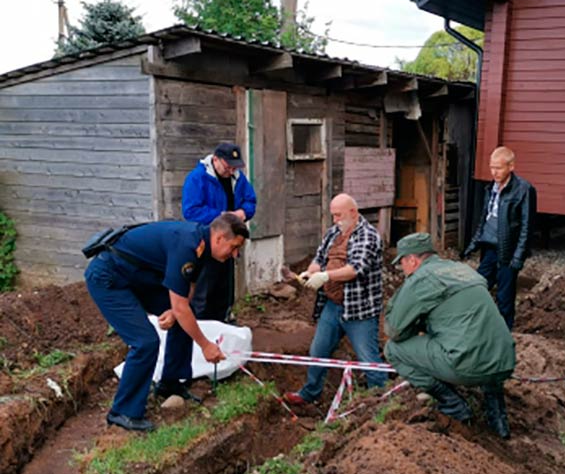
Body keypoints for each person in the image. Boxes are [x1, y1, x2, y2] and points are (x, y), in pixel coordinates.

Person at [85, 213, 250, 432]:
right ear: (219, 238)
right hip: (109, 278)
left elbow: (187, 288)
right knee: (145, 342)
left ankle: (170, 383)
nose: (235, 254)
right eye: (234, 247)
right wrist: (205, 345)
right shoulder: (187, 245)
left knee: (183, 319)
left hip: (137, 277)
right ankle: (123, 412)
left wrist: (175, 310)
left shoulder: (203, 246)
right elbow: (181, 307)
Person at [385, 232, 516, 439]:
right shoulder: (461, 269)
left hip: (466, 366)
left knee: (393, 349)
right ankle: (498, 417)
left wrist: (416, 325)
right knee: (481, 337)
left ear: (413, 259)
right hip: (504, 361)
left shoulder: (421, 279)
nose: (402, 269)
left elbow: (395, 331)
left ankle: (453, 405)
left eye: (402, 263)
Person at [284, 194, 387, 404]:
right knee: (318, 351)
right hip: (332, 305)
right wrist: (311, 271)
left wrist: (326, 276)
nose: (335, 220)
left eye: (338, 215)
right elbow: (319, 258)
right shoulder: (333, 233)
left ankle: (381, 402)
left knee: (368, 359)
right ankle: (310, 393)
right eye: (333, 215)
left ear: (353, 213)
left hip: (360, 311)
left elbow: (355, 269)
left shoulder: (368, 236)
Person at [461, 146, 536, 329]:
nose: (494, 172)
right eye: (492, 167)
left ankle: (504, 333)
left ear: (511, 166)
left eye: (499, 168)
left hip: (508, 251)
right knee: (478, 287)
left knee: (504, 296)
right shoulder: (491, 188)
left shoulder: (523, 190)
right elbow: (485, 219)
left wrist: (518, 256)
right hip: (489, 248)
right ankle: (476, 327)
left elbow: (527, 226)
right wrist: (473, 244)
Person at [182, 142, 257, 322]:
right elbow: (191, 211)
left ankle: (223, 320)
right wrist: (221, 216)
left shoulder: (238, 178)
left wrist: (243, 213)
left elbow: (251, 201)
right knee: (204, 290)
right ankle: (200, 325)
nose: (231, 171)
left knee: (225, 288)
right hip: (207, 242)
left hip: (230, 242)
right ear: (216, 159)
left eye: (235, 167)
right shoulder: (197, 178)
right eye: (228, 166)